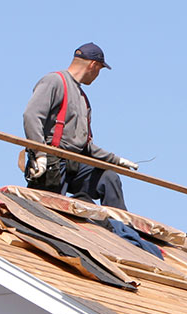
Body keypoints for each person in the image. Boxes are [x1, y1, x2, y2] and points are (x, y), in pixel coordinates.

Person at [23, 42, 137, 209]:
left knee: (108, 178)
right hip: (52, 162)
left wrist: (116, 160)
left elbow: (85, 145)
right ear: (93, 65)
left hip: (75, 164)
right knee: (46, 211)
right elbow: (32, 116)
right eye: (99, 70)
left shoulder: (83, 98)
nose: (97, 75)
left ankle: (122, 228)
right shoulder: (55, 81)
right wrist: (40, 154)